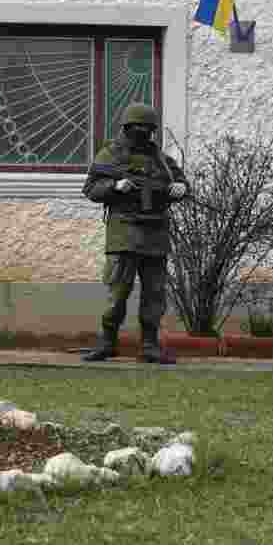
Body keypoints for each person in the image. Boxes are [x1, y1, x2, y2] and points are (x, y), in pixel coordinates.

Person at [81, 103, 189, 364]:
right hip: (124, 234)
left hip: (156, 235)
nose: (141, 132)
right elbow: (91, 188)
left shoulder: (162, 160)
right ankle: (107, 341)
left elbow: (183, 183)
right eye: (136, 127)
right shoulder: (110, 155)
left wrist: (180, 188)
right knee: (117, 294)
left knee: (154, 295)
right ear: (126, 128)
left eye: (147, 128)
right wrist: (115, 186)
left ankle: (150, 345)